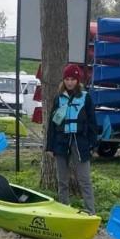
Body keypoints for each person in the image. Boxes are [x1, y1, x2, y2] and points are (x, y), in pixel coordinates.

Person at [44, 63, 97, 214]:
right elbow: (52, 124)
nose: (69, 82)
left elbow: (93, 123)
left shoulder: (85, 98)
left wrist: (93, 144)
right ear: (63, 80)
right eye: (67, 79)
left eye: (73, 79)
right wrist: (50, 146)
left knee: (84, 180)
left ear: (78, 80)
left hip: (80, 143)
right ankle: (64, 210)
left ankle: (90, 211)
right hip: (61, 142)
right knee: (62, 181)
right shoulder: (59, 98)